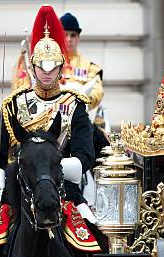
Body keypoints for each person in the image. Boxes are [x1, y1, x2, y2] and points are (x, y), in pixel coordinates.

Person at [0, 6, 104, 257]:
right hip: (20, 196)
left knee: (98, 240)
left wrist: (61, 169)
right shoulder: (14, 106)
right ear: (32, 68)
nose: (47, 74)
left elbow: (86, 154)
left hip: (65, 194)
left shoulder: (73, 107)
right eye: (41, 68)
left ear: (61, 67)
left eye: (53, 68)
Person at [60, 12, 110, 207]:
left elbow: (97, 92)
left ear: (78, 37)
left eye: (73, 35)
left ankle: (104, 195)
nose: (69, 39)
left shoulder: (90, 67)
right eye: (65, 34)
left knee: (104, 150)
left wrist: (77, 100)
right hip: (51, 122)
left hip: (79, 122)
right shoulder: (49, 63)